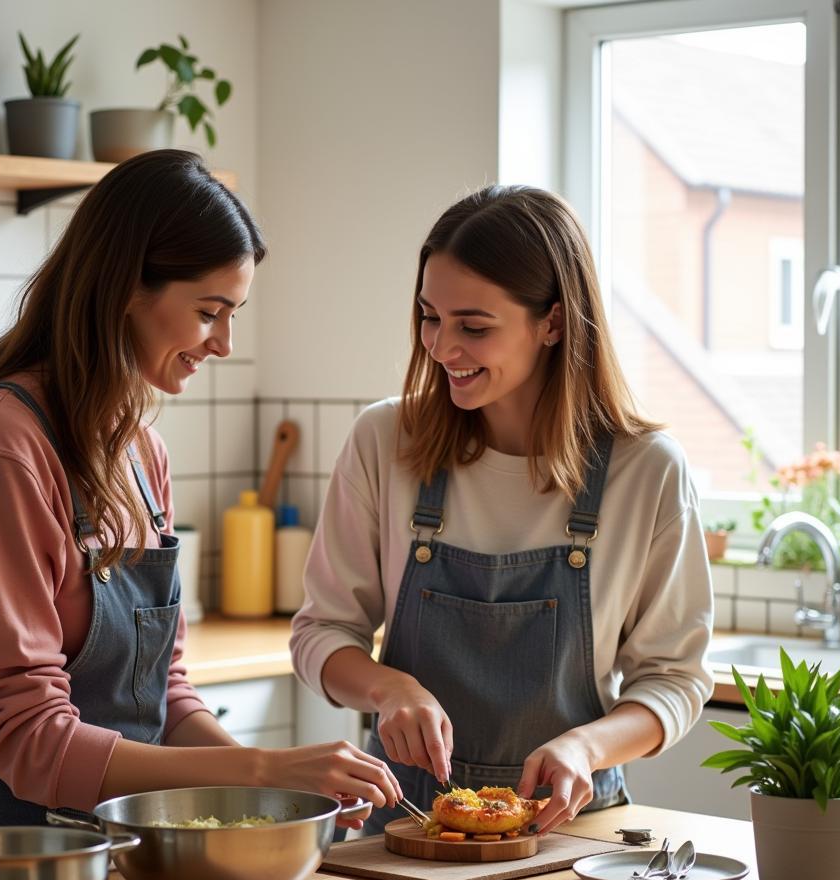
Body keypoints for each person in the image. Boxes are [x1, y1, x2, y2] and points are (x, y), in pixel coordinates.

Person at [0, 150, 399, 880]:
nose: (223, 344)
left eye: (233, 315)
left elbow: (163, 694)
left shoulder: (140, 450)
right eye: (207, 311)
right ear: (126, 286)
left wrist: (281, 800)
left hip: (124, 837)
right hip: (0, 843)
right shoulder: (0, 446)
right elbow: (30, 743)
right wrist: (262, 771)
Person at [290, 185, 713, 838]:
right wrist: (388, 689)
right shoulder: (384, 441)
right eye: (430, 317)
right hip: (405, 830)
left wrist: (586, 749)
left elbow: (675, 681)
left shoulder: (646, 470)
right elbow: (322, 633)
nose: (440, 346)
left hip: (573, 835)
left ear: (553, 321)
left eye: (474, 326)